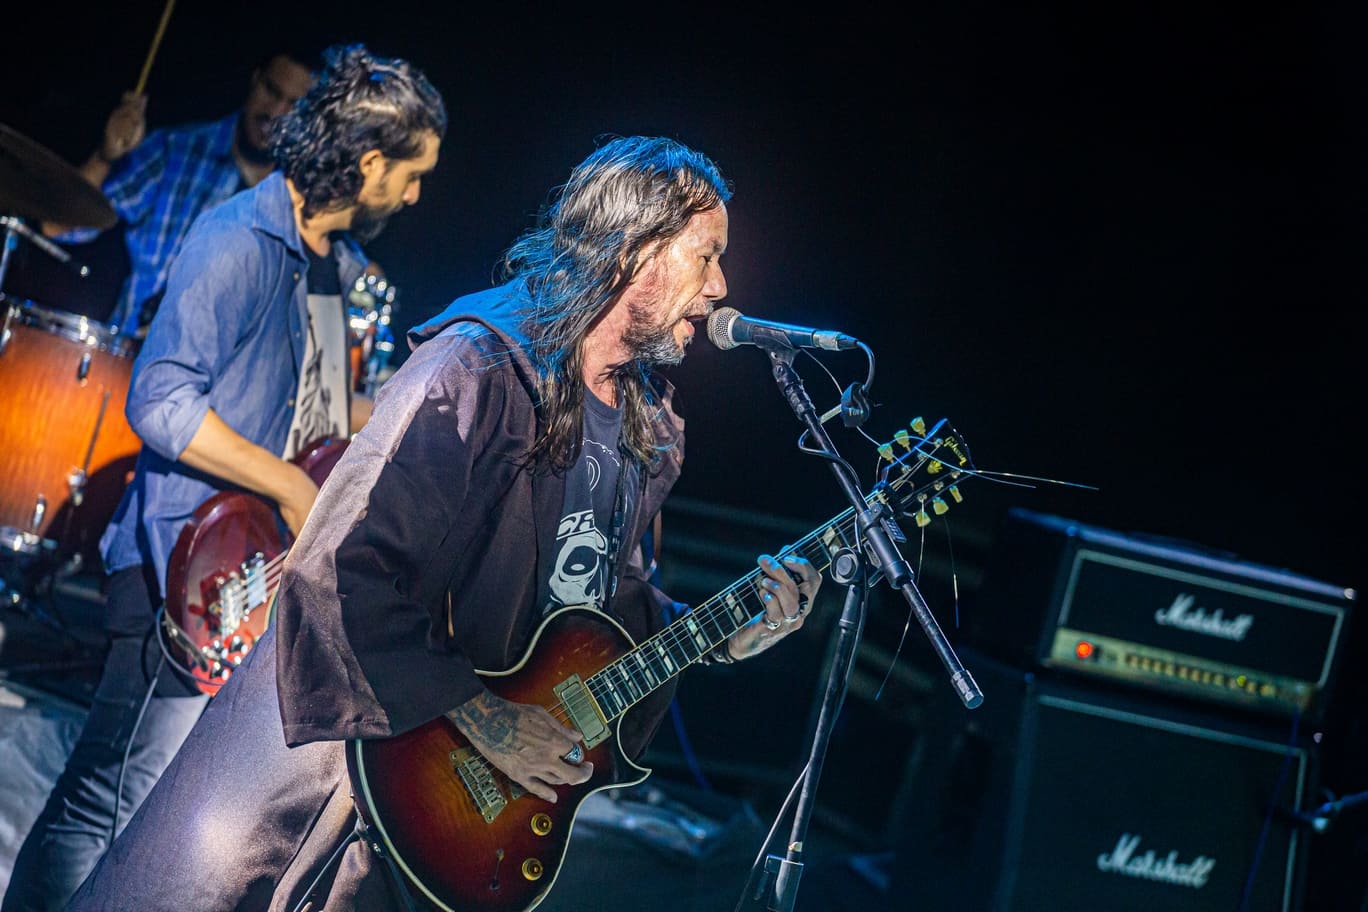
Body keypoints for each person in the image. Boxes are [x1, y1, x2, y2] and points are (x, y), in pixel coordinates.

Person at [64, 134, 823, 911]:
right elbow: (340, 567)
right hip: (332, 782)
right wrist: (486, 718)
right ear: (635, 250)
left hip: (438, 825)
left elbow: (594, 606)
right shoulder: (476, 368)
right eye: (706, 255)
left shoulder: (647, 425)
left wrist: (724, 635)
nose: (720, 286)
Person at [1, 43, 446, 912]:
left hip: (244, 578)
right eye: (413, 173)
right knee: (106, 805)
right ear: (368, 164)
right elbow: (160, 398)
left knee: (156, 827)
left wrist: (414, 404)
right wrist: (287, 485)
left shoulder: (330, 263)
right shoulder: (237, 239)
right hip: (176, 566)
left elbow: (320, 414)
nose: (416, 195)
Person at [36, 42, 320, 333]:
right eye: (271, 91)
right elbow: (56, 226)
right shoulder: (175, 149)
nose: (275, 112)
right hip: (132, 351)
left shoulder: (304, 201)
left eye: (294, 105)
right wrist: (104, 158)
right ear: (255, 79)